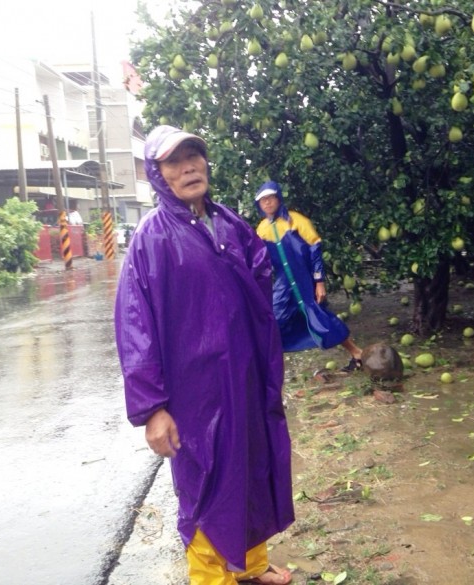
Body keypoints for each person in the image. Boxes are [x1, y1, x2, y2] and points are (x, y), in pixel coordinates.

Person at [114, 126, 294, 585]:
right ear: (158, 175)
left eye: (195, 156)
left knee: (251, 468)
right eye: (175, 161)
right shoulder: (151, 241)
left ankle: (251, 568)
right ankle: (213, 580)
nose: (189, 166)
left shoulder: (230, 223)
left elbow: (258, 284)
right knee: (207, 488)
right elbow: (135, 328)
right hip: (195, 396)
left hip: (244, 380)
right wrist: (154, 409)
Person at [254, 181, 364, 371]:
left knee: (320, 318)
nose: (267, 203)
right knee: (273, 320)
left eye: (270, 198)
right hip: (284, 283)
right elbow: (258, 258)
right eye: (263, 200)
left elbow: (315, 250)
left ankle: (356, 352)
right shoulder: (261, 229)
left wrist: (319, 281)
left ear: (278, 198)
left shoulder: (296, 221)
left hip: (304, 281)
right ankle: (268, 367)